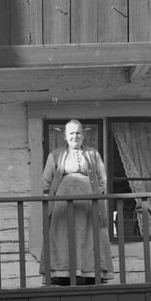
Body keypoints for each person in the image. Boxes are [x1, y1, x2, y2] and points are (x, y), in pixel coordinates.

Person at [40, 120, 114, 284]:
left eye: (78, 132)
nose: (75, 136)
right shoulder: (55, 155)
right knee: (62, 237)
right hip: (62, 208)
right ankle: (62, 275)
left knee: (90, 237)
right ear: (65, 136)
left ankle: (91, 274)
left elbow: (102, 179)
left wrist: (91, 194)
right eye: (71, 133)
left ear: (83, 135)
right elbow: (46, 182)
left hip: (88, 208)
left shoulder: (93, 154)